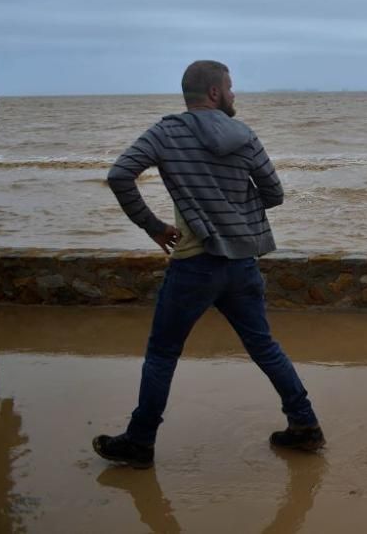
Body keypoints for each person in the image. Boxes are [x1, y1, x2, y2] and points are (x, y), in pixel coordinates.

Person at [93, 60, 324, 469]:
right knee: (264, 347)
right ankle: (304, 424)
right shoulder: (245, 135)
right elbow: (274, 193)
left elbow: (120, 175)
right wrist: (236, 207)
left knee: (163, 354)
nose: (234, 95)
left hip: (194, 264)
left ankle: (140, 441)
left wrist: (153, 227)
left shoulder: (166, 132)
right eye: (231, 88)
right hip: (241, 264)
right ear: (214, 93)